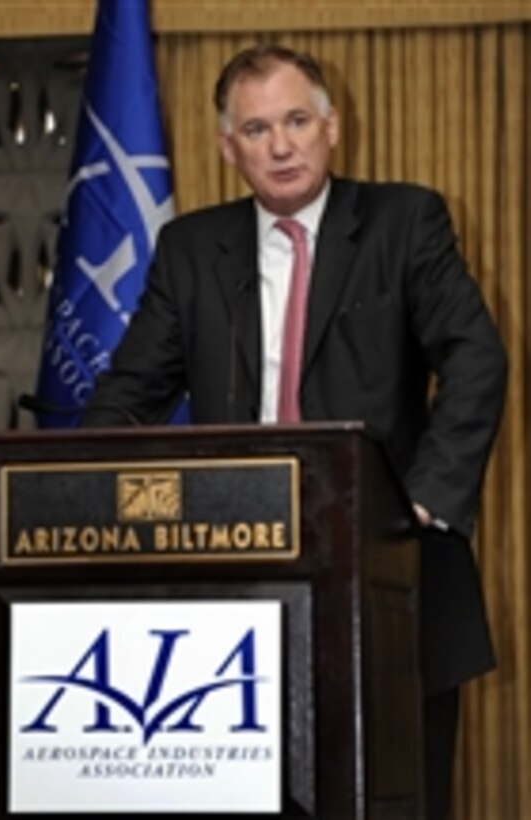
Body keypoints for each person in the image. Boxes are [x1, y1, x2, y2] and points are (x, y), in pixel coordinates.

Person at [82, 45, 507, 817]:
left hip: (392, 583)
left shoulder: (403, 220)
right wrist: (88, 498)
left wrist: (417, 505)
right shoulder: (190, 251)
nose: (279, 145)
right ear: (228, 147)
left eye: (296, 121)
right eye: (256, 128)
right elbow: (129, 393)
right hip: (229, 594)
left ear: (330, 127)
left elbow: (474, 360)